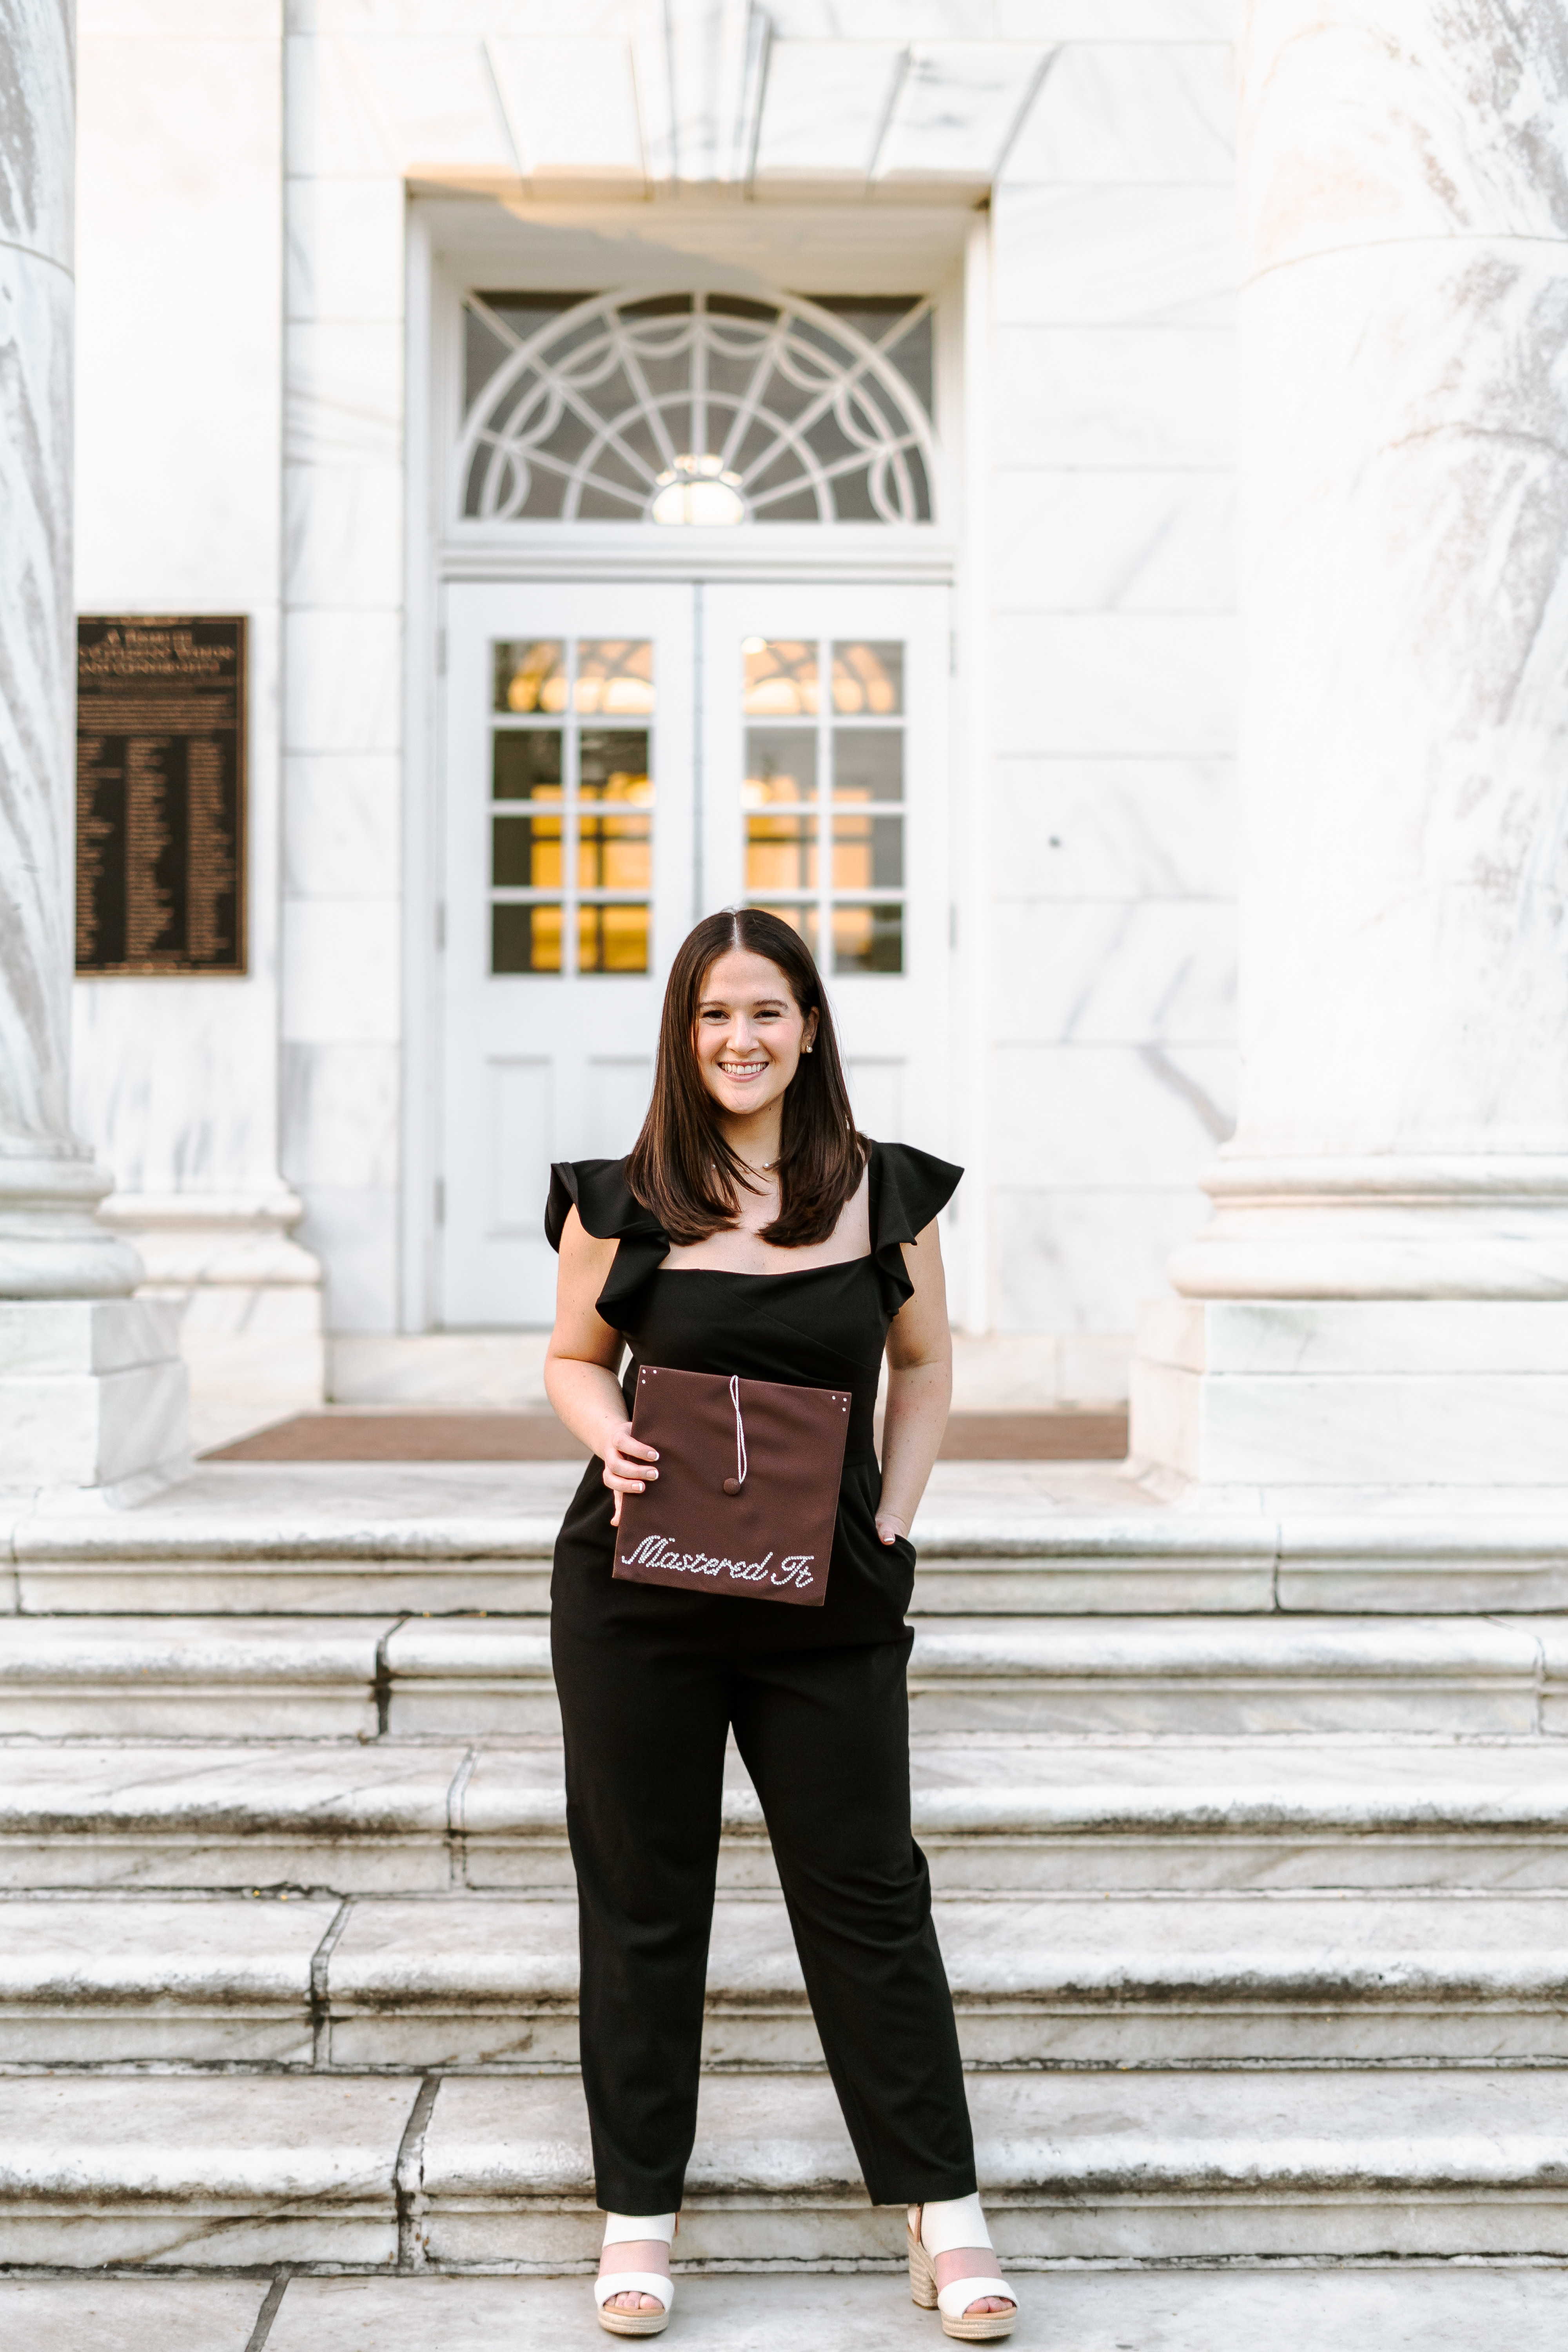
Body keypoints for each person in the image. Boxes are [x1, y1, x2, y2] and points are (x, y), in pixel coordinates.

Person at [544, 907, 1016, 2342]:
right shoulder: (620, 1195)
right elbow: (573, 1356)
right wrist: (612, 1430)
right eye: (710, 1016)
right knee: (644, 1899)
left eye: (765, 1011)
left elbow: (924, 1370)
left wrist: (899, 1511)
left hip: (831, 1599)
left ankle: (944, 2216)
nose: (739, 1039)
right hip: (641, 1594)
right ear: (683, 1038)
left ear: (810, 1026)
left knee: (870, 1894)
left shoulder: (890, 1194)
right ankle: (639, 2220)